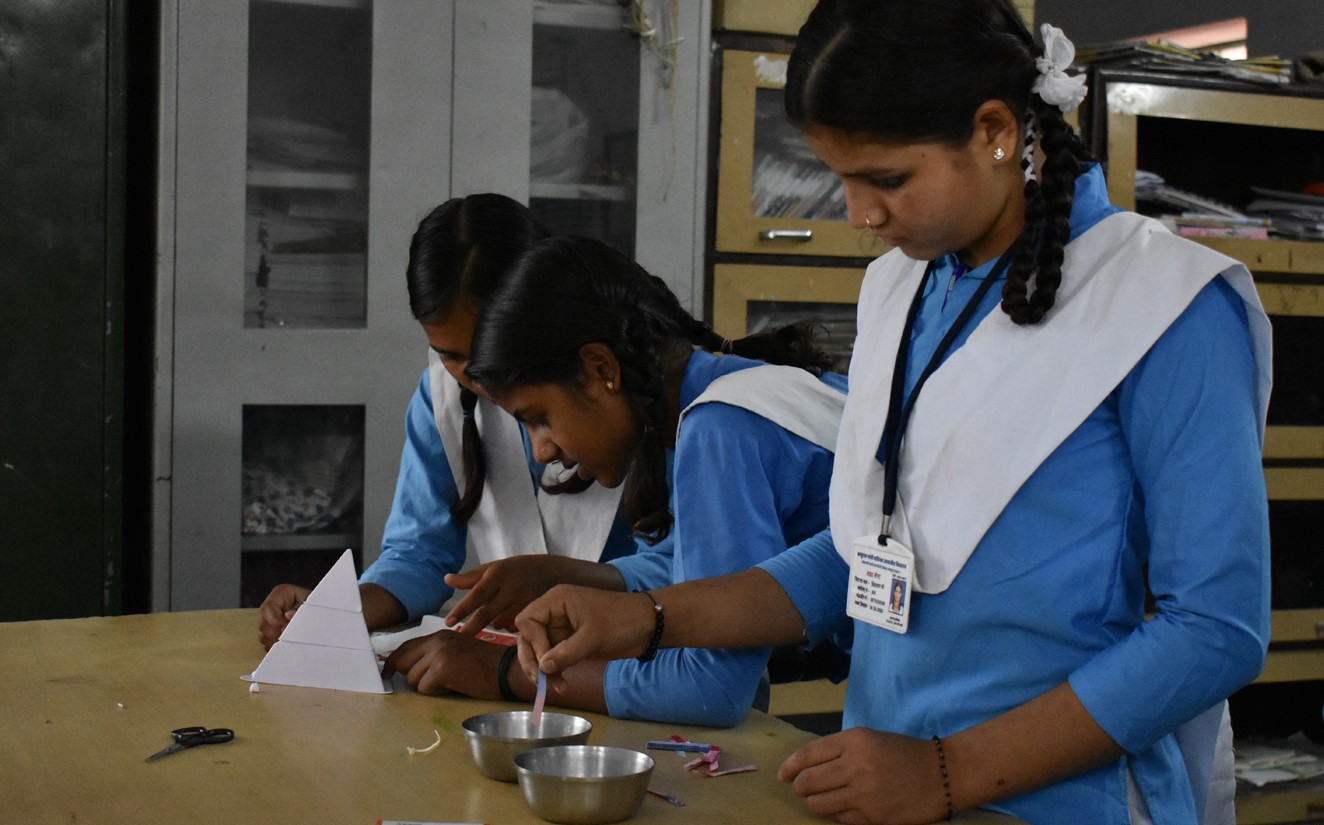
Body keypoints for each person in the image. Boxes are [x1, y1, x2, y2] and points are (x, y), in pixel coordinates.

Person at [510, 2, 1273, 823]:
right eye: (841, 176)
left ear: (994, 132)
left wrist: (947, 770)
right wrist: (647, 617)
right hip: (893, 788)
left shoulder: (1167, 306)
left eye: (886, 179)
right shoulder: (905, 287)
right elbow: (868, 554)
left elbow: (1214, 630)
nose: (858, 215)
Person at [380, 234, 849, 727]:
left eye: (538, 417)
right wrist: (576, 577)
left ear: (601, 367)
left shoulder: (719, 427)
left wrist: (500, 672)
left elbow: (710, 686)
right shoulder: (743, 391)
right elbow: (710, 581)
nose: (542, 451)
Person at [256, 194, 661, 650]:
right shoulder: (441, 401)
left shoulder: (629, 399)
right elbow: (419, 553)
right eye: (450, 355)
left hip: (631, 655)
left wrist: (561, 580)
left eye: (489, 348)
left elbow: (682, 576)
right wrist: (337, 610)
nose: (476, 375)